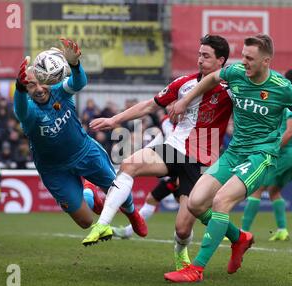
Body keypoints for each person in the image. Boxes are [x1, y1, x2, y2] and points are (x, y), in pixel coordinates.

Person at [165, 33, 292, 283]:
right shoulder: (235, 73)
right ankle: (239, 238)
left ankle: (196, 269)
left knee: (221, 201)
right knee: (196, 203)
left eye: (250, 58)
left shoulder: (282, 88)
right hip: (234, 152)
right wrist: (185, 100)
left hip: (260, 156)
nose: (243, 62)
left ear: (266, 61)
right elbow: (212, 78)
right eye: (243, 56)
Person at [85, 35, 242, 271]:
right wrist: (114, 119)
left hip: (201, 161)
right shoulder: (184, 83)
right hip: (175, 148)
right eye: (199, 54)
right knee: (129, 165)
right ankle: (103, 223)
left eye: (206, 56)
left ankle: (183, 254)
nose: (200, 60)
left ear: (221, 61)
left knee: (182, 229)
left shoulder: (232, 89)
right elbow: (150, 105)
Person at [13, 38, 146, 238]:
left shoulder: (60, 92)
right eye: (31, 85)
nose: (39, 89)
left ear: (50, 79)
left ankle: (133, 214)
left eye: (41, 82)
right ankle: (89, 194)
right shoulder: (30, 110)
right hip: (54, 170)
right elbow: (20, 110)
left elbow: (79, 82)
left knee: (118, 190)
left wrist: (75, 64)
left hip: (85, 152)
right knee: (85, 222)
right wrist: (19, 88)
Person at [241, 68, 292, 241]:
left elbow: (290, 132)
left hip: (285, 154)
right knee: (274, 191)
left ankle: (243, 232)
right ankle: (282, 230)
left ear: (288, 82)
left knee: (256, 188)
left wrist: (273, 149)